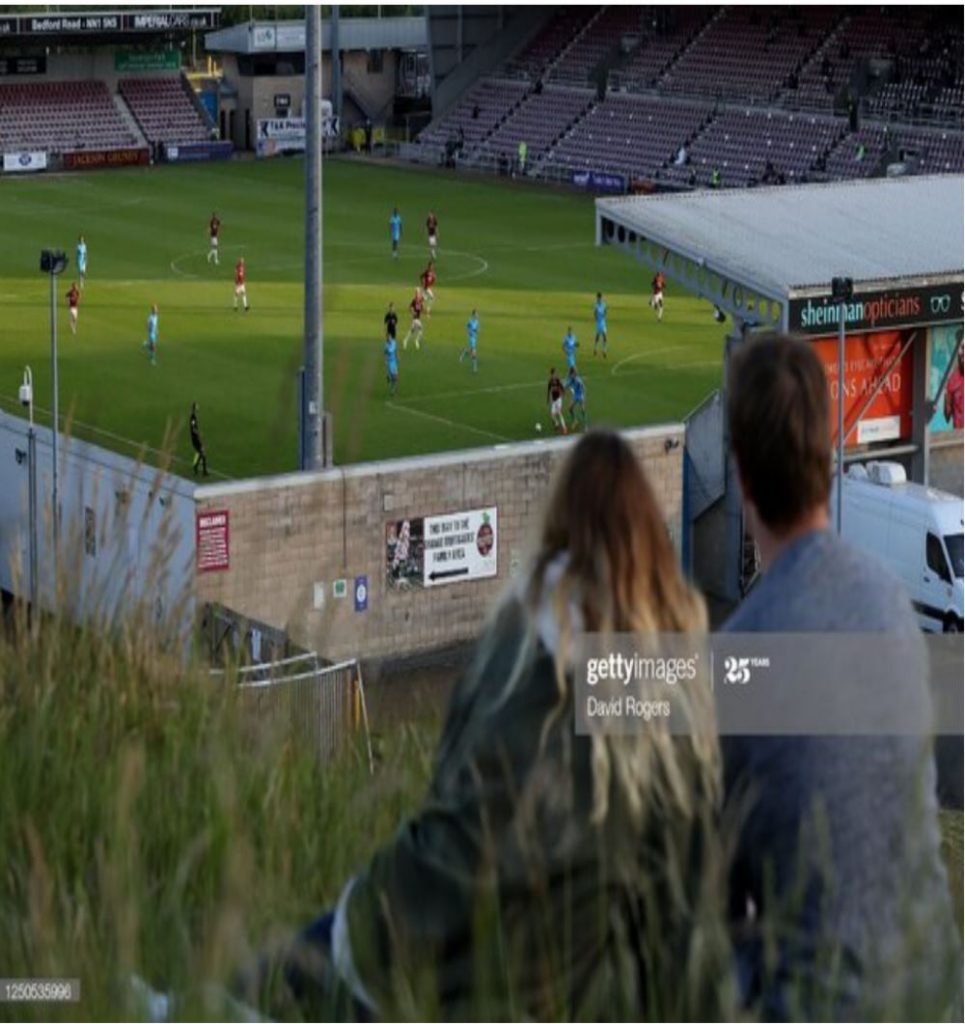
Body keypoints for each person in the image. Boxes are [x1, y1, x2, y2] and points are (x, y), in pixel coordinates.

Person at [237, 431, 723, 1021]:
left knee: (267, 980)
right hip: (584, 986)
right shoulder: (676, 695)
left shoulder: (525, 657)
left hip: (459, 967)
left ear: (560, 525)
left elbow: (453, 836)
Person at [723, 334, 959, 1020]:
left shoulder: (744, 652)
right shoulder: (890, 609)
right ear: (827, 462)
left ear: (741, 478)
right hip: (930, 992)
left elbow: (724, 898)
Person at [943, 332, 963, 429]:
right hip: (959, 435)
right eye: (962, 347)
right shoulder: (952, 379)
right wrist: (945, 396)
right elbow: (947, 416)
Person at [189, 401, 208, 477]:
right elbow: (193, 428)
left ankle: (197, 468)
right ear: (195, 408)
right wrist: (198, 434)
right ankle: (204, 472)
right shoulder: (193, 417)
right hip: (195, 438)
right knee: (203, 453)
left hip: (196, 437)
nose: (198, 407)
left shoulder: (194, 416)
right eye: (197, 406)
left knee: (201, 453)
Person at [546, 366, 567, 434]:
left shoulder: (557, 380)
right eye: (552, 374)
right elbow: (548, 390)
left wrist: (563, 392)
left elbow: (562, 386)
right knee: (552, 414)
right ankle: (557, 424)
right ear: (551, 374)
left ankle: (564, 428)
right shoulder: (550, 381)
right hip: (554, 400)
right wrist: (548, 399)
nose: (553, 375)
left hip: (558, 399)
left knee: (559, 413)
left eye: (554, 374)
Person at [566, 366, 587, 431]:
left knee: (582, 410)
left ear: (574, 374)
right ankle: (575, 420)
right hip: (575, 395)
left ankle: (585, 426)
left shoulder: (578, 380)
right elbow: (567, 385)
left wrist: (583, 396)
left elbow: (583, 387)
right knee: (570, 408)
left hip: (580, 395)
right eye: (570, 374)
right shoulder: (572, 380)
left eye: (571, 374)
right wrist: (561, 387)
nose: (570, 376)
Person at [593, 292, 608, 357]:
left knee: (605, 336)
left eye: (601, 297)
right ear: (597, 298)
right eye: (599, 297)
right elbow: (595, 313)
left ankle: (604, 351)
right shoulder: (596, 305)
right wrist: (596, 318)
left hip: (603, 322)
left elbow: (605, 311)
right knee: (598, 336)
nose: (600, 299)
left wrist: (604, 316)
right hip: (599, 322)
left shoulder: (603, 304)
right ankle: (595, 348)